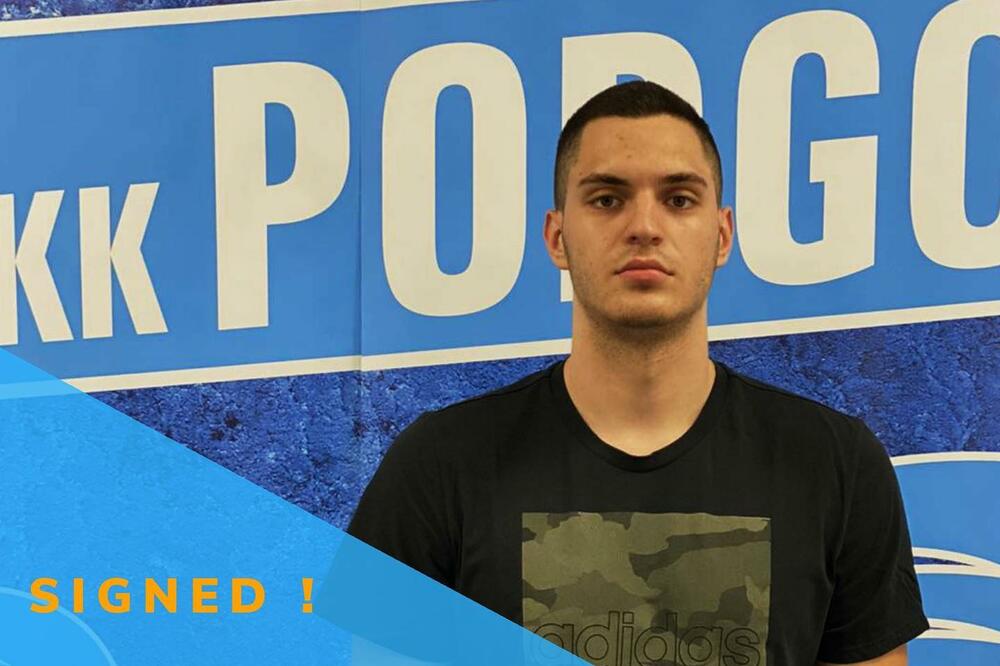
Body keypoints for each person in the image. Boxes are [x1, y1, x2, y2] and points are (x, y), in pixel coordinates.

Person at [348, 81, 929, 665]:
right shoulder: (442, 465)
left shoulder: (834, 465)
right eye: (607, 199)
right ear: (557, 237)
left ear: (721, 235)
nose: (644, 226)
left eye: (679, 199)